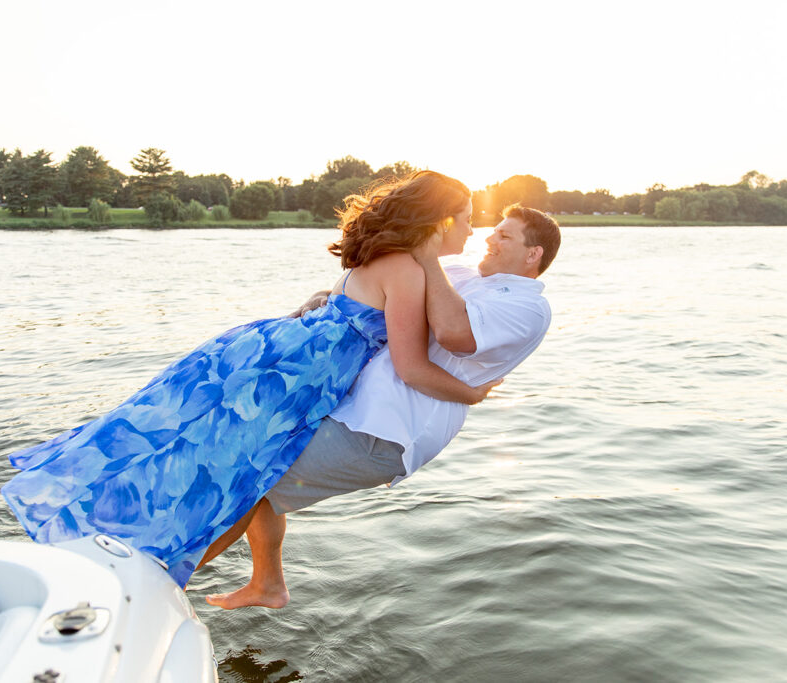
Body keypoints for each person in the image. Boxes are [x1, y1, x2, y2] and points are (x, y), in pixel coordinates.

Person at [1, 171, 501, 588]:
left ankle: (99, 548)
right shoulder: (407, 269)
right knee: (226, 475)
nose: (474, 230)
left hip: (266, 350)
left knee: (179, 443)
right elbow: (413, 368)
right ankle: (134, 577)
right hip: (291, 380)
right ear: (442, 220)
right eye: (471, 218)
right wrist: (471, 393)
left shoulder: (375, 255)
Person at [201, 204, 561, 609]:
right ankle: (267, 583)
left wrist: (425, 256)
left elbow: (453, 331)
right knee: (252, 472)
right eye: (493, 230)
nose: (489, 238)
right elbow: (388, 296)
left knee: (250, 484)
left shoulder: (529, 308)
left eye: (505, 236)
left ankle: (165, 575)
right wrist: (330, 297)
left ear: (534, 255)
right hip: (351, 406)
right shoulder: (465, 275)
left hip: (385, 429)